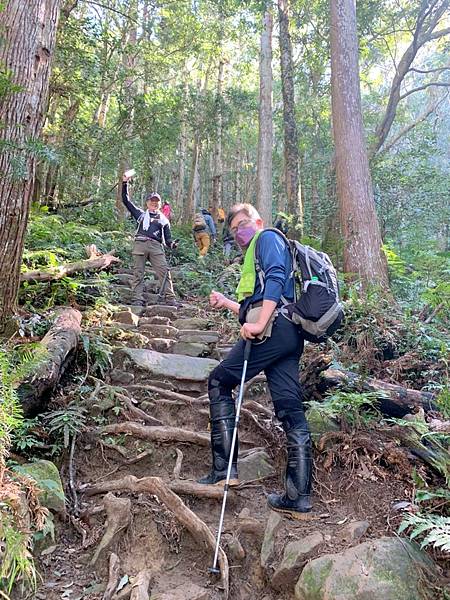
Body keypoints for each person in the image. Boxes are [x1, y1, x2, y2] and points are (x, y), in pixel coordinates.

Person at [198, 203, 312, 518]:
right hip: (287, 333)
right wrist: (228, 303)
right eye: (234, 229)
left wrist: (260, 325)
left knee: (219, 381)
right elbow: (257, 304)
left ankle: (224, 469)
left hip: (273, 330)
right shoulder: (258, 253)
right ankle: (299, 497)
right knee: (290, 409)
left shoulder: (268, 239)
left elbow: (275, 280)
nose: (239, 232)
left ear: (258, 221)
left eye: (243, 224)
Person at [121, 173, 179, 307]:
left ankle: (170, 298)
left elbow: (168, 239)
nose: (154, 203)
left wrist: (172, 244)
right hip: (140, 243)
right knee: (138, 272)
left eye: (156, 201)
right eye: (151, 201)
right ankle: (137, 298)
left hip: (156, 246)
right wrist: (125, 183)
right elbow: (126, 201)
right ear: (147, 203)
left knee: (164, 271)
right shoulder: (140, 215)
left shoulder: (164, 220)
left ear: (159, 204)